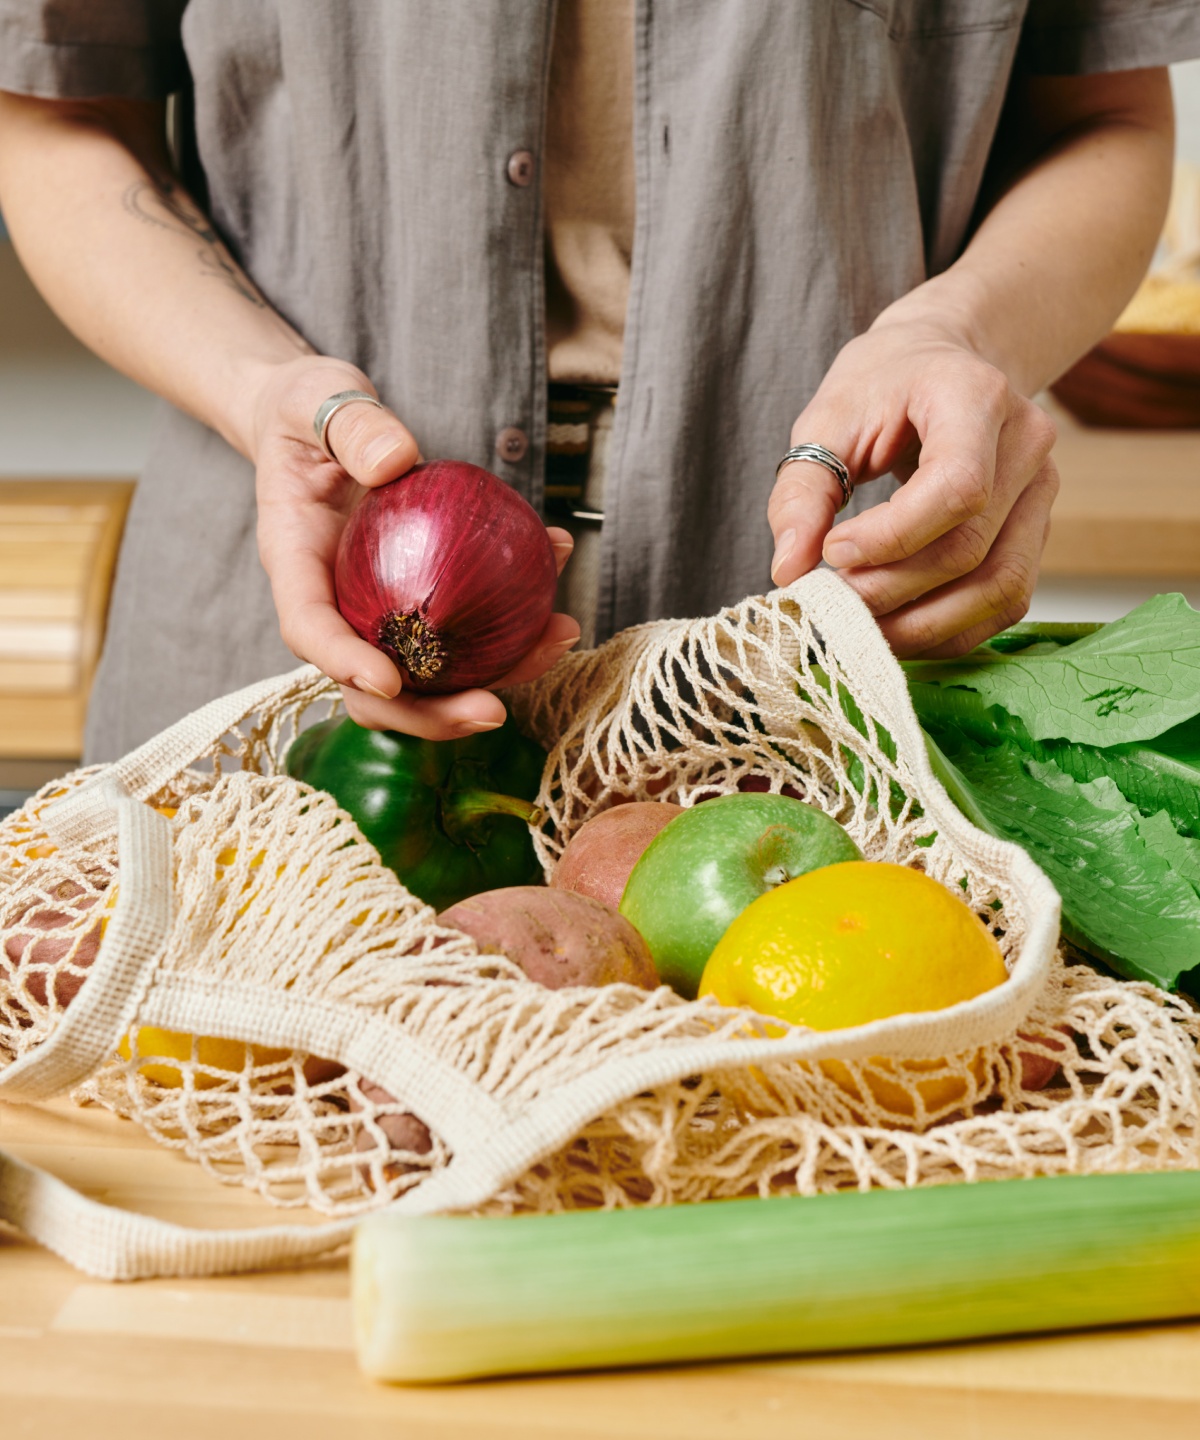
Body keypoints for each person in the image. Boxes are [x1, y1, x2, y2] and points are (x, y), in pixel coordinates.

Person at [0, 2, 1195, 761]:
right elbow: (57, 112)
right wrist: (259, 389)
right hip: (280, 629)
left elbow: (1099, 110)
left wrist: (963, 335)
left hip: (811, 648)